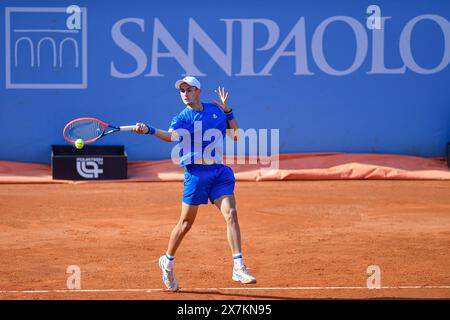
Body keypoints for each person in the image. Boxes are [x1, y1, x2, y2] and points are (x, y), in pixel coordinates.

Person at [133, 76, 256, 291]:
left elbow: (236, 136)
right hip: (196, 174)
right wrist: (149, 130)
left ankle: (238, 266)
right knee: (185, 224)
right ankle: (167, 262)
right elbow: (171, 136)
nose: (185, 94)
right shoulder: (182, 117)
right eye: (182, 91)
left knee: (231, 214)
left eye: (189, 90)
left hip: (219, 172)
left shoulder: (216, 110)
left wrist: (228, 112)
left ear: (198, 91)